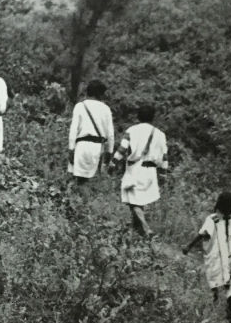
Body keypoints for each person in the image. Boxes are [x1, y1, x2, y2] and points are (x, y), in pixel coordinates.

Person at [108, 103, 168, 240]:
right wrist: (163, 174)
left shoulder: (132, 131)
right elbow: (165, 156)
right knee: (140, 202)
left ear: (138, 116)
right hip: (151, 171)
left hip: (135, 170)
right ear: (153, 117)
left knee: (133, 201)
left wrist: (112, 164)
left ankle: (146, 229)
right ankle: (136, 230)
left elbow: (122, 150)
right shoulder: (160, 134)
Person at [183, 192, 231, 304]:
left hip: (215, 255)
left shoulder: (213, 219)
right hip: (230, 256)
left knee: (213, 278)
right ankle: (230, 303)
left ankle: (215, 298)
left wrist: (188, 247)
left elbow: (202, 234)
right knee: (229, 279)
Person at [68, 80, 114, 184]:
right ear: (100, 94)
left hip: (81, 146)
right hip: (97, 148)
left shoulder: (80, 106)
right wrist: (109, 153)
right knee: (91, 182)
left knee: (76, 180)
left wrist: (71, 149)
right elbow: (110, 135)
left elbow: (73, 130)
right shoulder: (106, 109)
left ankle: (73, 198)